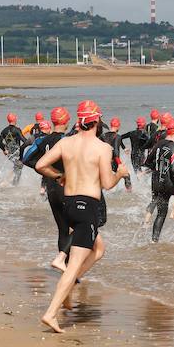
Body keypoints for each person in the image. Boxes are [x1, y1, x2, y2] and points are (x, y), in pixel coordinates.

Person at [36, 100, 129, 333]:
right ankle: (51, 312)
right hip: (87, 206)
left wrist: (59, 177)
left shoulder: (66, 142)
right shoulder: (103, 148)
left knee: (99, 249)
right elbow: (107, 184)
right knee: (74, 264)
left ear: (79, 121)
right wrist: (121, 174)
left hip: (68, 204)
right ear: (97, 121)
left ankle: (66, 292)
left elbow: (40, 165)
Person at [26, 108, 70, 271]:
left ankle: (64, 266)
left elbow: (26, 158)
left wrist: (43, 170)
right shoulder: (67, 140)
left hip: (51, 187)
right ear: (66, 121)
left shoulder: (42, 140)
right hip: (65, 186)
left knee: (62, 229)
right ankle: (68, 265)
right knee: (76, 228)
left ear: (52, 121)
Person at [101, 117, 130, 190]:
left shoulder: (103, 136)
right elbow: (116, 151)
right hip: (114, 161)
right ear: (118, 126)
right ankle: (130, 192)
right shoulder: (117, 136)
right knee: (127, 176)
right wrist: (120, 164)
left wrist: (124, 148)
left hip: (104, 162)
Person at [0, 113, 27, 185]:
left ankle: (9, 180)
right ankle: (14, 184)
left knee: (17, 167)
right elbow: (23, 140)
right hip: (17, 152)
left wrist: (4, 149)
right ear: (15, 119)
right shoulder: (17, 130)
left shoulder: (4, 130)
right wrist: (31, 141)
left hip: (9, 153)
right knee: (19, 167)